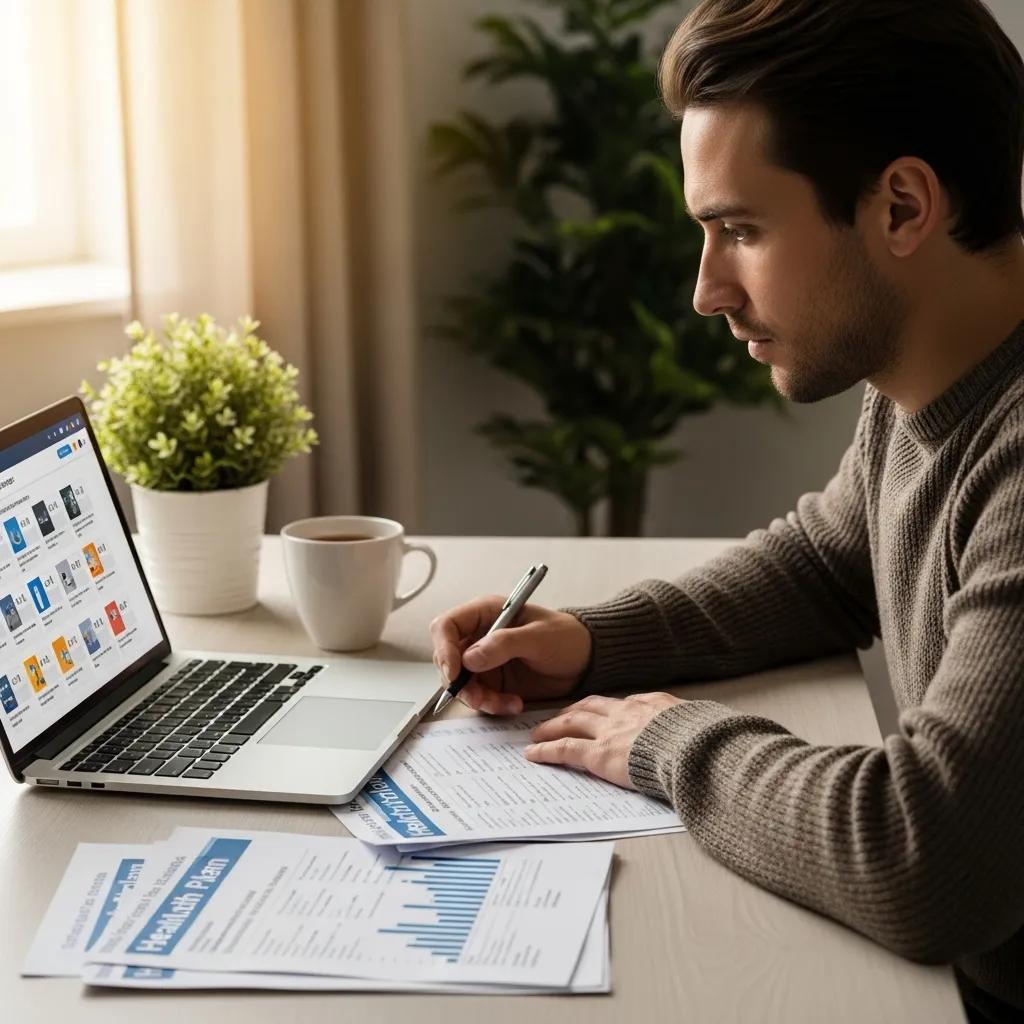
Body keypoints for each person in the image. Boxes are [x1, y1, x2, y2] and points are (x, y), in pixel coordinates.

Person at [429, 1, 1024, 1019]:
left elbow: (923, 857)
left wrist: (669, 743)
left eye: (738, 230)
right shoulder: (925, 383)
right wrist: (588, 642)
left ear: (901, 207)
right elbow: (823, 563)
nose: (707, 289)